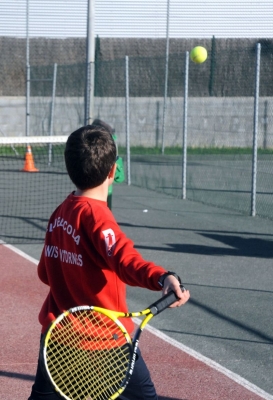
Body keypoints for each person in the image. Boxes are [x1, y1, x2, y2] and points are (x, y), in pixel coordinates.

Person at [28, 124, 190, 400]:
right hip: (104, 344)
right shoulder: (99, 218)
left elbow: (45, 272)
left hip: (56, 340)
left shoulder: (59, 213)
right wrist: (163, 277)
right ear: (113, 171)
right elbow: (127, 261)